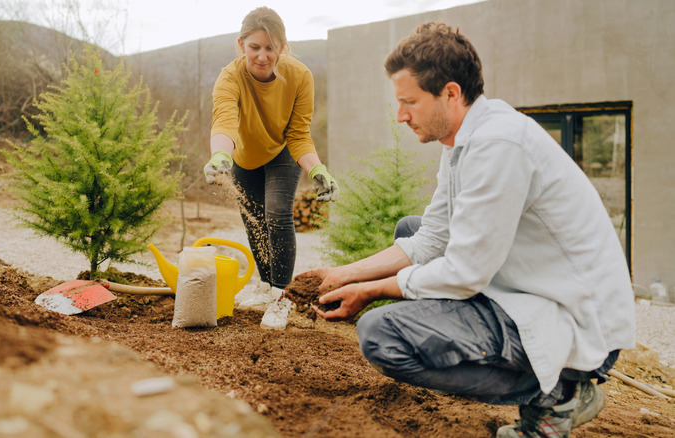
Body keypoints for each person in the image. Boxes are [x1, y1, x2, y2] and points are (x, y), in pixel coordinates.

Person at [305, 23, 635, 437]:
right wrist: (346, 274)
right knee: (413, 227)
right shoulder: (461, 141)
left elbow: (465, 271)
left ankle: (558, 394)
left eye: (409, 101)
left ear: (450, 93)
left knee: (381, 335)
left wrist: (371, 290)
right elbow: (432, 237)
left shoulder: (499, 144)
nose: (400, 115)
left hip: (577, 318)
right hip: (532, 285)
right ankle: (548, 381)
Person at [204, 6, 338, 330]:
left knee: (276, 214)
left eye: (270, 48)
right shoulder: (230, 77)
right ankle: (266, 287)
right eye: (254, 47)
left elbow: (299, 135)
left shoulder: (300, 76)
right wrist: (220, 156)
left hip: (282, 152)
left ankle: (282, 298)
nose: (262, 56)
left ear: (282, 46)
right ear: (241, 45)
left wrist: (317, 168)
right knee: (252, 220)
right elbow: (225, 121)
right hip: (243, 156)